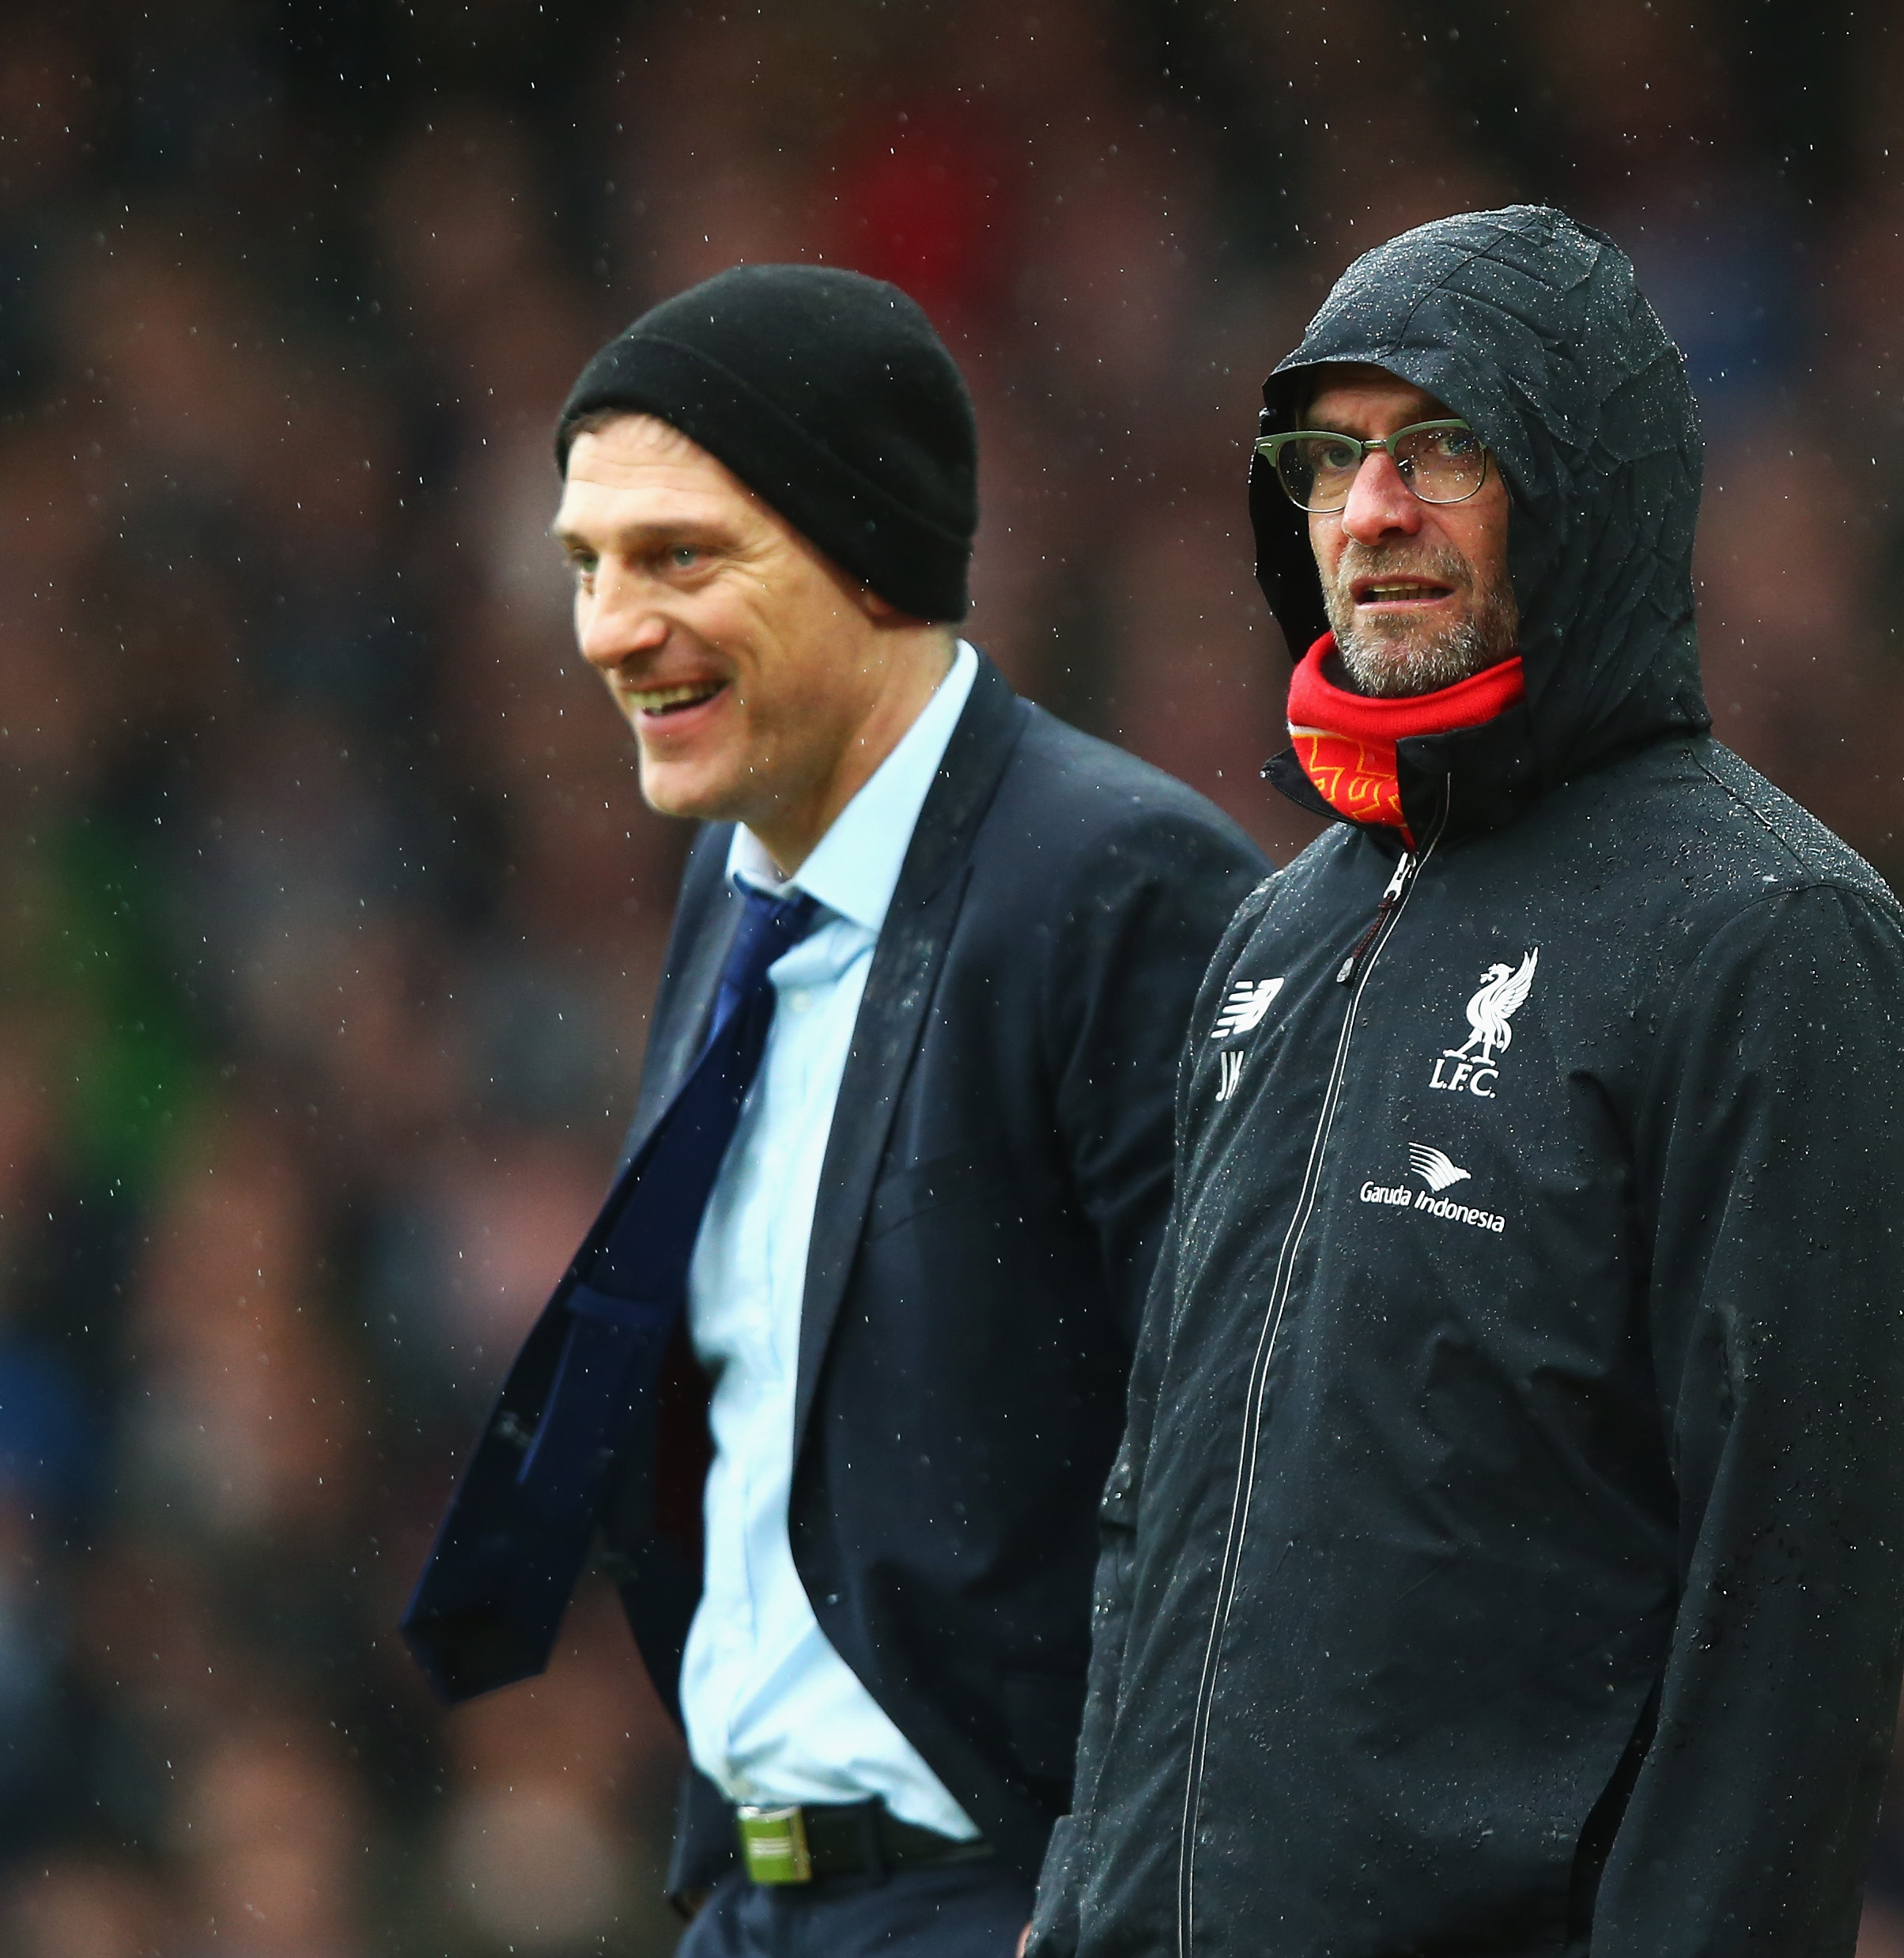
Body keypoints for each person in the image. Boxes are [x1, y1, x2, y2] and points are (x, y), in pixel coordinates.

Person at [1025, 207, 1904, 1958]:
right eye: (1331, 458)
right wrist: (1081, 1891)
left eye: (1443, 445)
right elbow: (1154, 1509)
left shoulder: (1772, 941)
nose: (1372, 510)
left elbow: (1791, 1625)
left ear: (1587, 485)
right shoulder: (1271, 940)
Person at [401, 265, 1267, 1958]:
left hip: (1009, 1903)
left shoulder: (1113, 887)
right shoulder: (733, 880)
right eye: (588, 564)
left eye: (677, 558)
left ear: (868, 551)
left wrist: (1124, 1892)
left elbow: (1248, 1458)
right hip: (760, 1894)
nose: (605, 627)